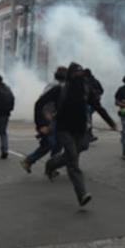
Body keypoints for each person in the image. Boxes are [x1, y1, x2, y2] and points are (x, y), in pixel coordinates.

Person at [38, 63, 93, 207]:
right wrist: (41, 124)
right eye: (77, 74)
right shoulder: (60, 90)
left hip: (80, 130)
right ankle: (82, 195)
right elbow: (40, 103)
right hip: (64, 129)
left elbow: (96, 105)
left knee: (76, 152)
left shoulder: (84, 89)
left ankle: (51, 164)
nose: (80, 77)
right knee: (73, 161)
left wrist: (110, 121)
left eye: (82, 74)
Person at [21, 66, 66, 173]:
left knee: (58, 143)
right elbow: (41, 102)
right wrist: (43, 121)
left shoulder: (62, 86)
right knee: (49, 143)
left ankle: (52, 167)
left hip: (55, 118)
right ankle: (29, 160)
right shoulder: (54, 86)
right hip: (48, 119)